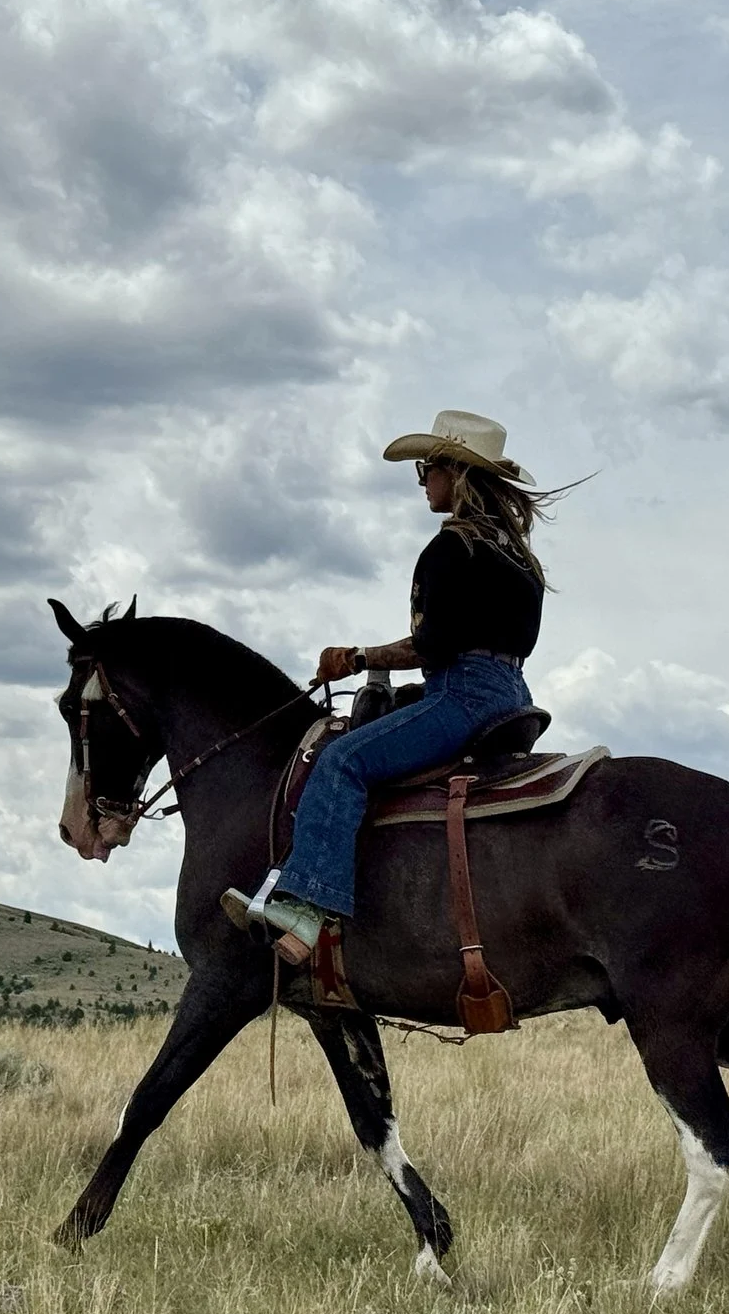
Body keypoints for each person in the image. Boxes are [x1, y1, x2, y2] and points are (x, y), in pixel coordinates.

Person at [227, 409, 565, 964]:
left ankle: (308, 906)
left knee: (342, 762)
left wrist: (357, 656)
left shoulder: (450, 548)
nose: (423, 481)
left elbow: (433, 647)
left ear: (456, 473)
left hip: (461, 694)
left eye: (428, 468)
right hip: (512, 693)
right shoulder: (519, 558)